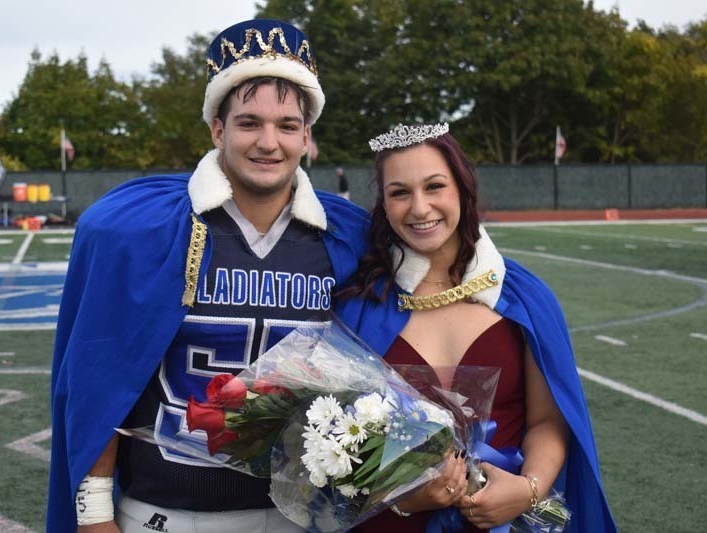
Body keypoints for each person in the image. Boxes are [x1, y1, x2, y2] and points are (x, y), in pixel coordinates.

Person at [46, 19, 369, 533]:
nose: (269, 142)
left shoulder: (347, 236)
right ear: (217, 128)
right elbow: (98, 381)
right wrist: (93, 513)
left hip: (305, 518)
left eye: (287, 125)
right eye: (249, 123)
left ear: (307, 135)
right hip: (169, 514)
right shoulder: (146, 228)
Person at [336, 123, 616, 532]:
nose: (419, 207)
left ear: (462, 190)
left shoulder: (523, 298)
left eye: (434, 186)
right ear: (383, 204)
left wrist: (528, 489)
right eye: (400, 192)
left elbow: (547, 421)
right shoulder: (359, 307)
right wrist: (396, 494)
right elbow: (337, 442)